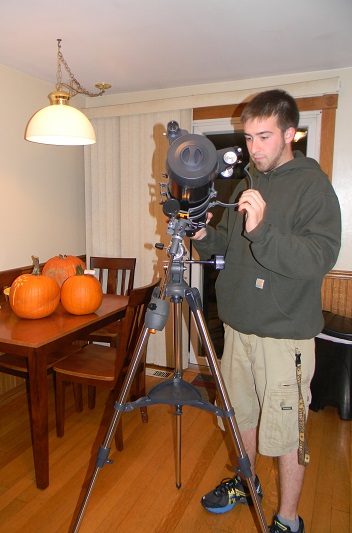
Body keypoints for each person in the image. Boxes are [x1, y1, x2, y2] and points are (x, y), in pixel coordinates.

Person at [191, 89, 341, 533]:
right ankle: (247, 482)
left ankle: (288, 519)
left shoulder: (313, 186)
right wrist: (203, 235)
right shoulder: (247, 184)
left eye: (264, 137)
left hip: (284, 336)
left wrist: (263, 231)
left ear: (289, 134)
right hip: (238, 328)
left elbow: (319, 256)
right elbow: (228, 245)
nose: (253, 148)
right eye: (248, 137)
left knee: (287, 433)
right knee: (241, 415)